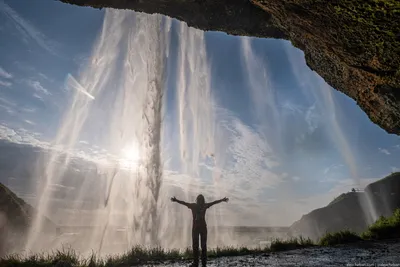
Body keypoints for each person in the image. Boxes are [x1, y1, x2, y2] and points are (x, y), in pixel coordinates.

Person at [171, 194, 229, 267]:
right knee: (202, 246)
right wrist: (222, 200)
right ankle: (202, 264)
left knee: (197, 246)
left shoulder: (194, 206)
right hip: (202, 228)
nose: (200, 201)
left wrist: (176, 200)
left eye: (200, 200)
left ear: (197, 200)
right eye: (200, 200)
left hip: (196, 228)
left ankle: (197, 263)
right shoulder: (203, 205)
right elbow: (214, 202)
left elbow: (184, 203)